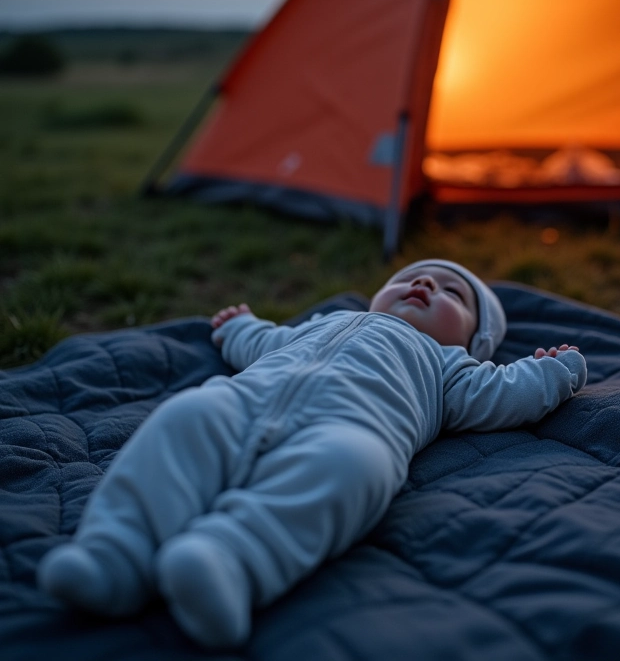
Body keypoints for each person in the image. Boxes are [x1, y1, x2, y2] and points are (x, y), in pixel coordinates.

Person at [38, 259, 587, 648]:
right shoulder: (320, 324)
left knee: (357, 466)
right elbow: (263, 342)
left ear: (473, 340)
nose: (425, 282)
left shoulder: (449, 366)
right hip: (241, 403)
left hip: (348, 428)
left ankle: (228, 559)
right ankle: (115, 554)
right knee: (184, 418)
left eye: (453, 293)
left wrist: (553, 371)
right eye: (411, 277)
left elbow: (504, 395)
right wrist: (240, 328)